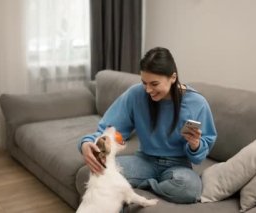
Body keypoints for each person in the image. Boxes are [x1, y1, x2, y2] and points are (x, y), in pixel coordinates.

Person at [78, 47, 217, 204]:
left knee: (189, 189)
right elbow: (110, 129)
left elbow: (198, 157)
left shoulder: (196, 104)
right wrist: (86, 142)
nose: (148, 89)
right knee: (95, 174)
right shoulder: (136, 95)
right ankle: (139, 186)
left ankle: (144, 185)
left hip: (178, 167)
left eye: (154, 84)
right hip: (144, 161)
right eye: (144, 83)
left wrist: (195, 145)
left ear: (173, 77)